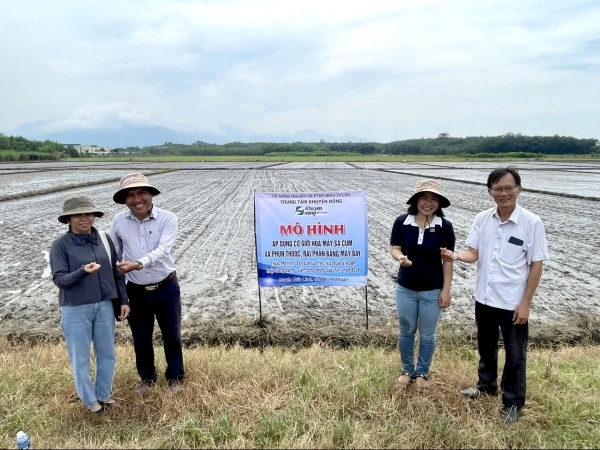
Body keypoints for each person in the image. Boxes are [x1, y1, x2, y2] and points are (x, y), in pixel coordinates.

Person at [441, 166, 548, 423]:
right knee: (486, 347)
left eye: (509, 188)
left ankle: (512, 402)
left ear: (519, 189)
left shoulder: (532, 223)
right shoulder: (482, 219)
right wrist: (456, 256)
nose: (503, 193)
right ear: (489, 192)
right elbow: (473, 253)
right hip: (485, 298)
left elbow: (536, 264)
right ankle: (486, 385)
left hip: (513, 302)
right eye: (497, 189)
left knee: (515, 354)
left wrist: (525, 303)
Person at [50, 194, 129, 415]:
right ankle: (90, 401)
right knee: (80, 358)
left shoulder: (104, 239)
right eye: (78, 214)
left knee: (107, 354)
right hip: (75, 308)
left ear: (94, 215)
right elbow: (59, 280)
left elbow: (117, 273)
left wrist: (123, 300)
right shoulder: (60, 246)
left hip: (104, 305)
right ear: (68, 219)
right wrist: (82, 272)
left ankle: (103, 395)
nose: (85, 218)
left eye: (89, 213)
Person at [109, 173, 184, 394]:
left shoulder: (168, 218)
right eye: (130, 195)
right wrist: (120, 292)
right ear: (124, 200)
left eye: (141, 192)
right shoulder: (118, 222)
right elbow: (115, 256)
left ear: (151, 194)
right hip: (136, 290)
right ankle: (147, 378)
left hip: (166, 286)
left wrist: (138, 264)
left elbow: (163, 250)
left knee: (172, 334)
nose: (137, 199)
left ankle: (175, 377)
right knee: (140, 337)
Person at [390, 179, 455, 390]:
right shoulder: (402, 222)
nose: (428, 203)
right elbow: (395, 248)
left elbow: (448, 260)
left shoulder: (445, 227)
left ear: (439, 203)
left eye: (434, 199)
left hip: (432, 290)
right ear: (416, 201)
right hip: (405, 288)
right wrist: (400, 258)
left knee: (428, 334)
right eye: (424, 198)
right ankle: (407, 370)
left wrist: (446, 291)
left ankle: (422, 374)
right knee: (406, 330)